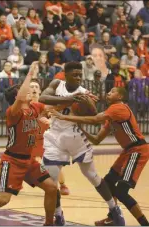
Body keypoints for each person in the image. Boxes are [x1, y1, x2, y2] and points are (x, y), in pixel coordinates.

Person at [39, 61, 125, 226]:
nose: (79, 77)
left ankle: (114, 210)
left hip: (75, 137)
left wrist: (86, 102)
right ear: (66, 75)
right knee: (51, 182)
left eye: (80, 75)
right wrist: (71, 99)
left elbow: (93, 115)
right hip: (55, 136)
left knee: (92, 176)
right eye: (75, 75)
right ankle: (58, 216)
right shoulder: (57, 84)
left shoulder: (84, 92)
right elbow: (43, 98)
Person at [0, 64, 57, 226]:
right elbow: (20, 98)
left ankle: (49, 223)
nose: (30, 92)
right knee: (3, 199)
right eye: (25, 91)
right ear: (18, 97)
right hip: (12, 162)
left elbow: (53, 106)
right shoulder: (13, 112)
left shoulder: (34, 107)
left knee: (52, 188)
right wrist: (30, 74)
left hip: (28, 161)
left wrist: (74, 95)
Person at [51, 86, 149, 226]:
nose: (109, 93)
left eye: (112, 91)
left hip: (137, 150)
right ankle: (113, 217)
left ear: (120, 97)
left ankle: (144, 223)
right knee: (108, 182)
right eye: (109, 91)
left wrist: (64, 117)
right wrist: (81, 128)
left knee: (121, 192)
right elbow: (97, 140)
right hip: (127, 151)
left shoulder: (119, 108)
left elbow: (96, 119)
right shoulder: (112, 117)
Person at [29, 79, 70, 196]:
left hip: (45, 139)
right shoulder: (25, 106)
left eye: (36, 87)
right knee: (23, 162)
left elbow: (56, 117)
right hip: (31, 141)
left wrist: (50, 121)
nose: (34, 89)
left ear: (40, 91)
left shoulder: (44, 106)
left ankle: (62, 184)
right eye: (31, 87)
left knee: (53, 163)